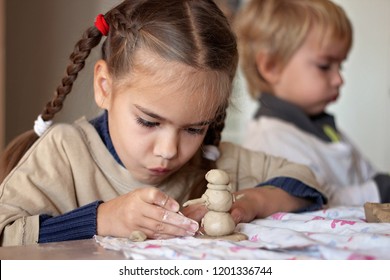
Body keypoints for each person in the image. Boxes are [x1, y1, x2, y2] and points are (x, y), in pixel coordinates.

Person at [0, 0, 326, 247]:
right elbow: (6, 233)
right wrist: (103, 219)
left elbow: (306, 182)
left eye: (194, 128)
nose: (169, 151)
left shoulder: (212, 161)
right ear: (105, 87)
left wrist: (250, 203)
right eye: (149, 121)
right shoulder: (65, 152)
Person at [234, 0, 390, 207]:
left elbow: (369, 176)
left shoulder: (324, 128)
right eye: (325, 66)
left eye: (340, 66)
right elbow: (315, 198)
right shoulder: (270, 140)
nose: (339, 79)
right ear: (271, 67)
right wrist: (380, 190)